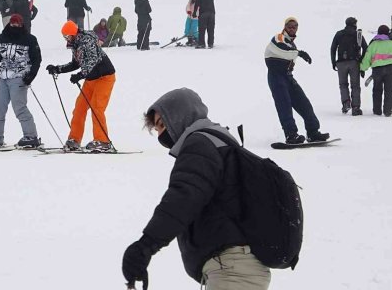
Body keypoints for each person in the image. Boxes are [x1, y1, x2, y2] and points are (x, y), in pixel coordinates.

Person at [122, 88, 271, 290]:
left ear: (180, 117)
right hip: (236, 268)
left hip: (232, 271)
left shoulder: (199, 143)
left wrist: (145, 246)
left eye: (162, 125)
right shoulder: (219, 140)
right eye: (157, 130)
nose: (161, 135)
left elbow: (183, 198)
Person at [0, 14, 42, 148]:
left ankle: (31, 136)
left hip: (20, 77)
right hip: (3, 78)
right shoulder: (3, 37)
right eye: (12, 23)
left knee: (19, 107)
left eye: (17, 24)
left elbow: (37, 60)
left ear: (22, 25)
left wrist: (30, 76)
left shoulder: (30, 39)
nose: (14, 26)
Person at [45, 20, 116, 152]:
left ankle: (103, 141)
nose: (65, 38)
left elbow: (93, 61)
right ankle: (74, 140)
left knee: (96, 108)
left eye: (66, 36)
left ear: (72, 33)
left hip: (105, 77)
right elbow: (76, 63)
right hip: (91, 78)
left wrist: (80, 75)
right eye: (64, 36)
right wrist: (57, 69)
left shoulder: (87, 40)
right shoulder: (75, 44)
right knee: (79, 108)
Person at [264, 17, 329, 144]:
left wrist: (297, 53)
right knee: (284, 105)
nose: (292, 28)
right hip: (276, 76)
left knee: (304, 103)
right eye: (289, 26)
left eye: (295, 26)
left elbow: (290, 53)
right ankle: (291, 135)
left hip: (288, 77)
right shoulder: (278, 37)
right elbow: (281, 49)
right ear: (285, 27)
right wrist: (299, 53)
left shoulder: (292, 44)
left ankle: (313, 132)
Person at [360, 25, 392, 117]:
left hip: (377, 70)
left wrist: (362, 69)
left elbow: (367, 59)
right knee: (389, 91)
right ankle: (387, 111)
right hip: (391, 69)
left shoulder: (373, 45)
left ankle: (377, 110)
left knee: (377, 90)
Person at [330, 17, 368, 115]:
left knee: (343, 84)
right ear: (355, 24)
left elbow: (333, 48)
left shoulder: (339, 34)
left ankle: (346, 103)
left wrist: (333, 62)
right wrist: (361, 60)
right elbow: (365, 48)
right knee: (355, 86)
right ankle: (355, 108)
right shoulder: (358, 34)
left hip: (341, 63)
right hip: (354, 62)